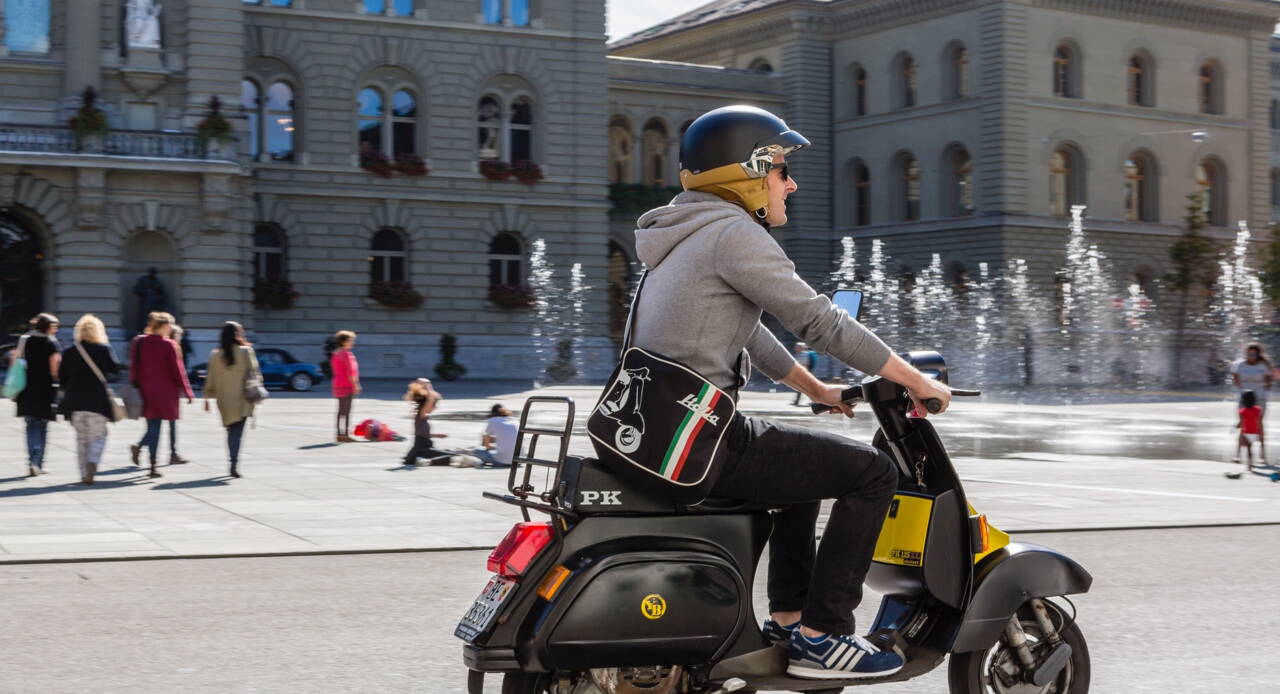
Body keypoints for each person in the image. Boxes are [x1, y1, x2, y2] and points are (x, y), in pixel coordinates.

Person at [629, 105, 951, 680]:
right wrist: (915, 380)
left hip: (654, 432)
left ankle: (789, 617)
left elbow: (747, 330)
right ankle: (824, 636)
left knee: (803, 468)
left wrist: (818, 389)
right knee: (873, 472)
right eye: (779, 167)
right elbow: (822, 323)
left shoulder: (683, 237)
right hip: (698, 443)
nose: (790, 181)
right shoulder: (732, 234)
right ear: (746, 172)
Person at [128, 312, 193, 478]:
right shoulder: (168, 344)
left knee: (153, 427)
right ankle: (151, 466)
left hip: (146, 390)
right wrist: (187, 391)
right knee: (158, 427)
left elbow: (134, 365)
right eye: (170, 325)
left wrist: (135, 383)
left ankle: (151, 463)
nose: (171, 328)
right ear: (164, 326)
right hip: (165, 392)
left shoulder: (139, 341)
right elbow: (178, 371)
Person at [58, 314, 120, 485]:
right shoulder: (103, 349)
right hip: (97, 402)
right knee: (99, 436)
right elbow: (115, 370)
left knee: (81, 439)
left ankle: (84, 473)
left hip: (75, 402)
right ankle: (93, 460)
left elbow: (62, 378)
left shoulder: (69, 352)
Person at [203, 322, 258, 479]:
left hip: (224, 400)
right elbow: (256, 374)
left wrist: (207, 396)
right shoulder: (247, 351)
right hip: (243, 398)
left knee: (231, 430)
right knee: (237, 433)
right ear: (238, 334)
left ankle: (232, 462)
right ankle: (233, 464)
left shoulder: (215, 354)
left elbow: (210, 378)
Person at [12, 313, 60, 477]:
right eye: (54, 327)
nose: (56, 330)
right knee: (43, 426)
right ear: (48, 327)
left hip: (26, 388)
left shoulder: (25, 339)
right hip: (45, 388)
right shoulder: (50, 343)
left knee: (30, 424)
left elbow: (15, 361)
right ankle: (38, 462)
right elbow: (54, 369)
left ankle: (32, 461)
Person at [403, 378, 451, 465]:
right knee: (453, 456)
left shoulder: (419, 415)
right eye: (435, 406)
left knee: (449, 453)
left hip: (420, 449)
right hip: (424, 450)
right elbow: (430, 399)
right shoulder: (422, 414)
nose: (435, 408)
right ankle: (427, 461)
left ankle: (424, 460)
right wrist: (428, 385)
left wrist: (437, 435)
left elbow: (422, 435)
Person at [164, 323, 191, 465]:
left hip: (159, 391)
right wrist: (187, 392)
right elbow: (179, 373)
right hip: (170, 393)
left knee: (154, 424)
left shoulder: (163, 346)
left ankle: (139, 445)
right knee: (171, 425)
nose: (180, 338)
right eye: (179, 335)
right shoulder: (173, 348)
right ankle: (173, 454)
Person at [330, 330, 360, 443]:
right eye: (351, 340)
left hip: (337, 384)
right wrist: (356, 385)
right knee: (346, 411)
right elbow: (351, 372)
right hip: (347, 385)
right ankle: (345, 435)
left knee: (340, 411)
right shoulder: (347, 354)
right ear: (344, 342)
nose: (353, 343)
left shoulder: (336, 353)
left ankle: (339, 434)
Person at [471, 404, 518, 468]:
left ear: (493, 414)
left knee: (477, 451)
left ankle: (487, 460)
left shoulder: (492, 420)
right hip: (518, 460)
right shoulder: (514, 420)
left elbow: (487, 446)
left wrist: (488, 444)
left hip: (503, 461)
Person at [1230, 343, 1273, 412]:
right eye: (1249, 354)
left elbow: (1268, 381)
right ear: (1246, 354)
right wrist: (1239, 386)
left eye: (1254, 354)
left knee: (1258, 421)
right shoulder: (1240, 365)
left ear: (1258, 355)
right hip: (1244, 398)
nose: (1251, 357)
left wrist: (1264, 390)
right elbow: (1235, 377)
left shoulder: (1263, 365)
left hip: (1260, 397)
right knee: (1243, 421)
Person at [791, 342, 818, 406]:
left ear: (801, 348)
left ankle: (813, 402)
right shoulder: (798, 354)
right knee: (800, 388)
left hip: (804, 374)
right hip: (802, 373)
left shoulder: (804, 355)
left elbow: (806, 365)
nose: (795, 348)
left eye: (797, 347)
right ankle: (797, 401)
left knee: (807, 389)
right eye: (796, 346)